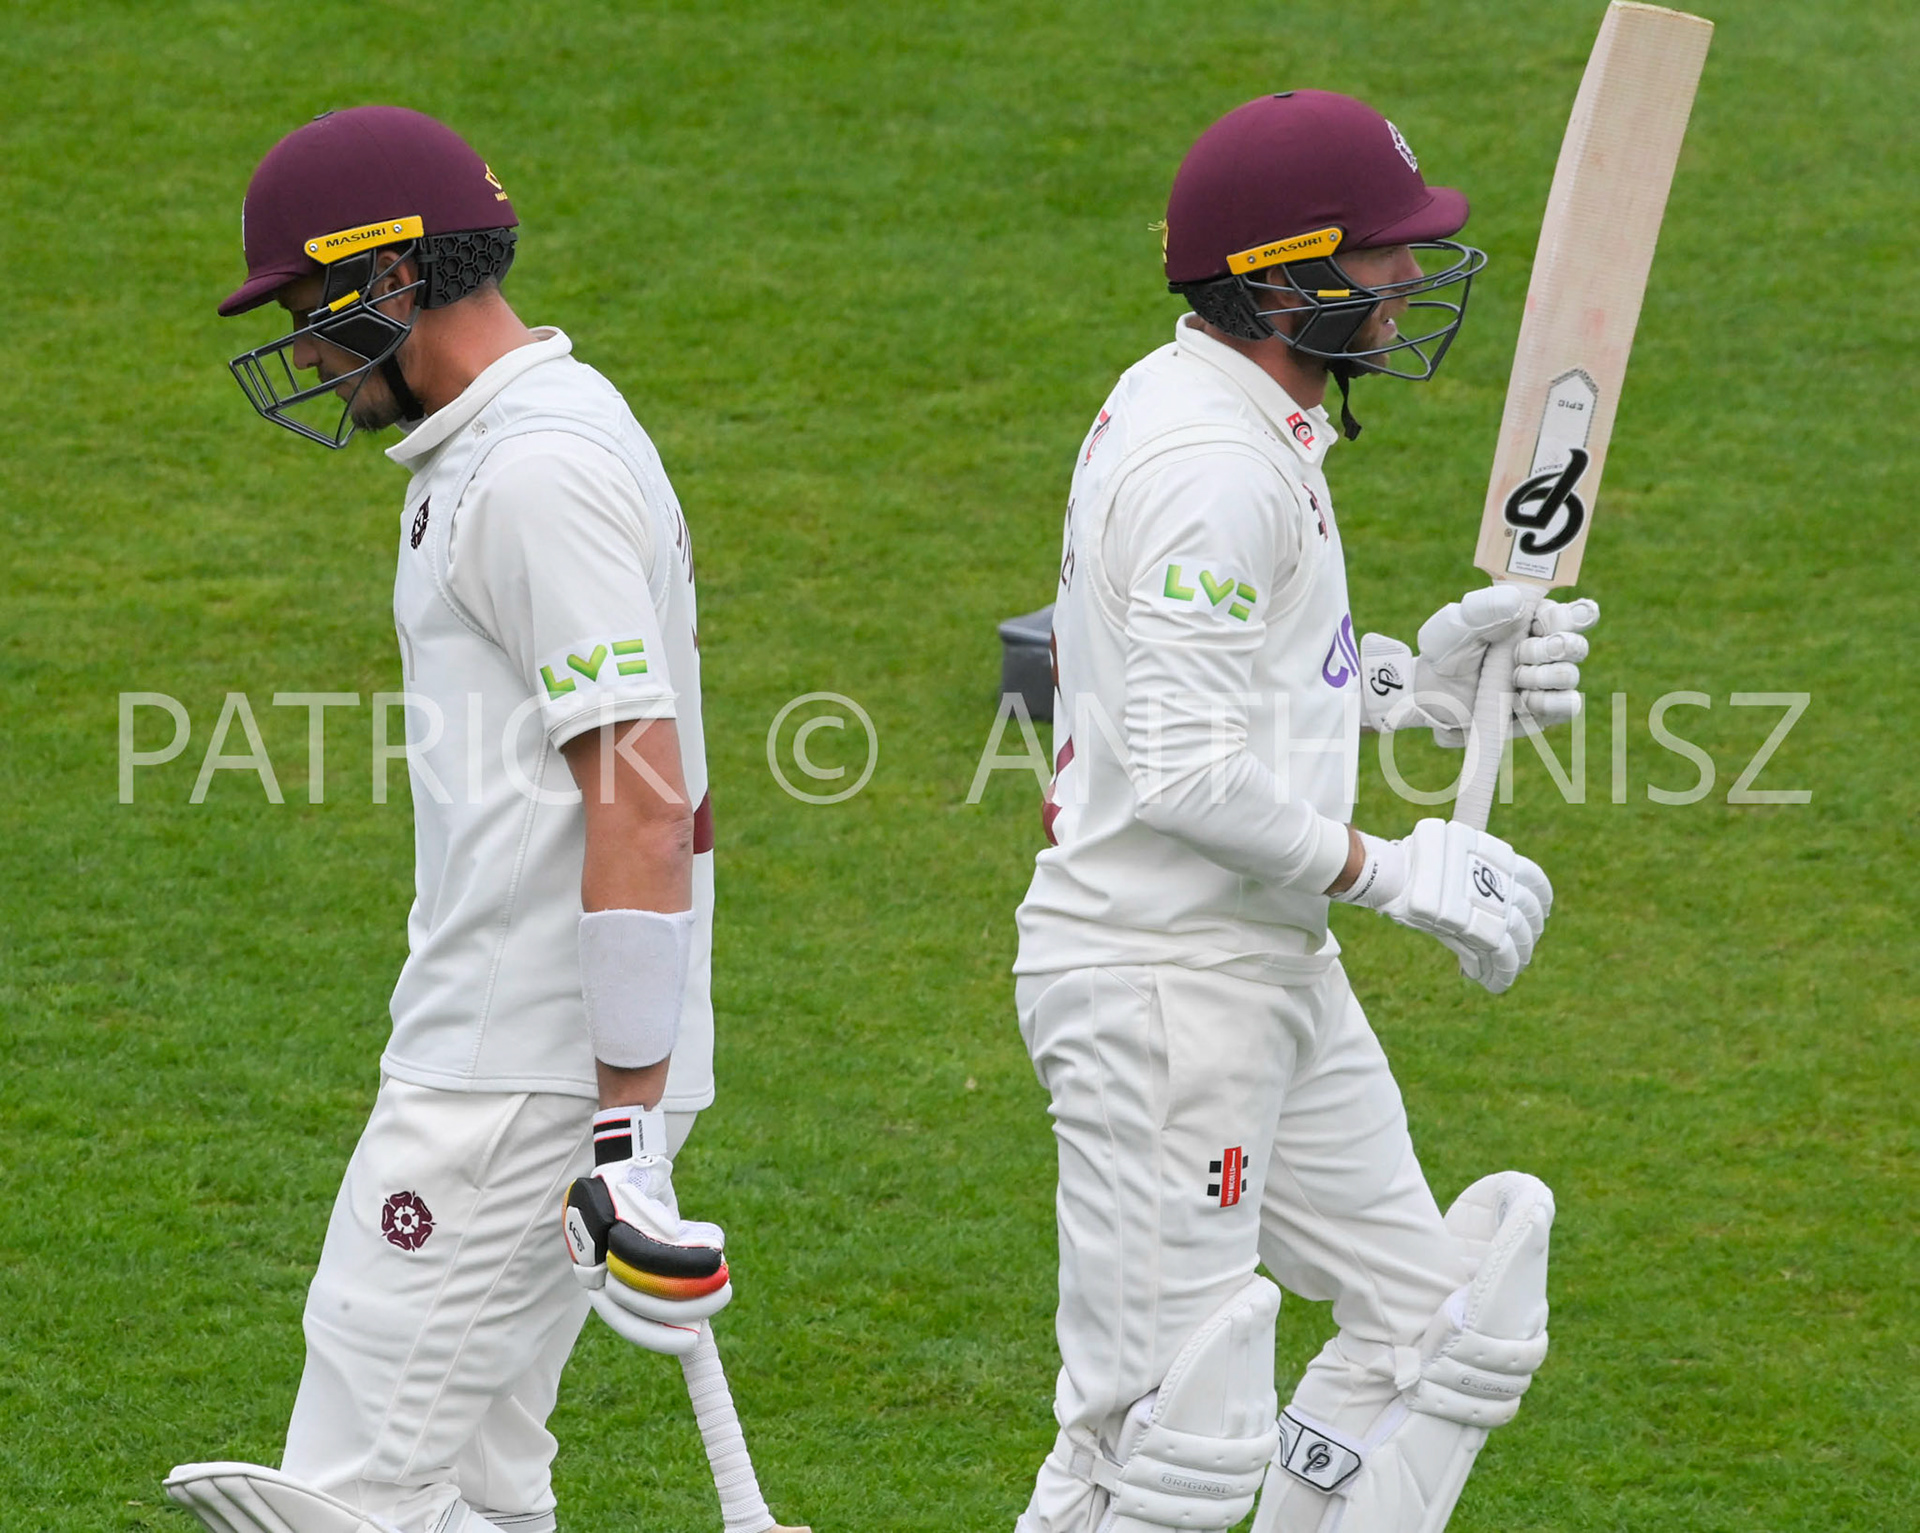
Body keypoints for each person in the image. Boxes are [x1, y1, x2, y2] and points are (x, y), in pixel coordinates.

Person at [169, 105, 795, 1533]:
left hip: (518, 1078)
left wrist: (622, 1128)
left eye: (310, 310)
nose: (309, 353)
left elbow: (637, 782)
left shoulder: (532, 473)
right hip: (536, 1051)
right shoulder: (506, 442)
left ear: (389, 282)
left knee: (348, 1491)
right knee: (482, 1488)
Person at [1011, 91, 1600, 1533]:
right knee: (1151, 1436)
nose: (1408, 284)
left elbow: (1227, 678)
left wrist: (1413, 687)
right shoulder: (1213, 467)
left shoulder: (1237, 417)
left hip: (1260, 968)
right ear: (1280, 279)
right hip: (1163, 993)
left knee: (1429, 1325)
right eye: (1382, 256)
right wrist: (1401, 872)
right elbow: (1186, 767)